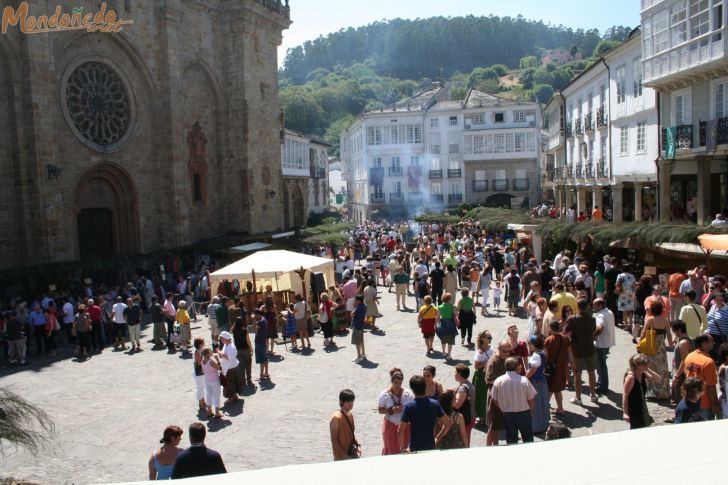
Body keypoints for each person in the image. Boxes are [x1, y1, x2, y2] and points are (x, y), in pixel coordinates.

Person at [491, 357, 537, 444]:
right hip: (524, 414)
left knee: (511, 441)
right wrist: (531, 410)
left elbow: (495, 399)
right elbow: (531, 398)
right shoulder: (524, 380)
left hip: (508, 415)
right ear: (516, 367)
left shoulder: (498, 381)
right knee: (528, 439)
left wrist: (502, 409)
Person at [398, 374, 449, 453]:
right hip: (430, 446)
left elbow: (400, 431)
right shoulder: (434, 403)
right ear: (425, 386)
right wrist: (437, 438)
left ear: (412, 389)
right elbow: (447, 423)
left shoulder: (409, 406)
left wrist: (402, 448)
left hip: (415, 447)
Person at [564, 299, 598, 404]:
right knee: (591, 372)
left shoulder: (572, 319)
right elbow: (593, 332)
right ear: (587, 307)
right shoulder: (592, 319)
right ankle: (593, 394)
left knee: (577, 374)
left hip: (576, 349)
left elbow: (565, 332)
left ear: (577, 307)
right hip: (589, 348)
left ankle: (578, 398)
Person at [640, 301, 673, 400]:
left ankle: (652, 392)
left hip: (651, 346)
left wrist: (640, 344)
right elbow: (669, 334)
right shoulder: (666, 320)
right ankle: (663, 392)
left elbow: (643, 332)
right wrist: (671, 344)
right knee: (662, 369)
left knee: (650, 368)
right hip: (661, 347)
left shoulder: (650, 319)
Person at [378, 368, 414, 455]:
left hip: (404, 425)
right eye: (395, 383)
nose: (397, 385)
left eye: (400, 383)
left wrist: (405, 409)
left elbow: (412, 407)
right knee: (390, 447)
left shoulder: (407, 394)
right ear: (392, 381)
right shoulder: (384, 395)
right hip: (391, 425)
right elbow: (380, 410)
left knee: (404, 448)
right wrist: (391, 410)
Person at [684, 333, 720, 420]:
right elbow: (710, 386)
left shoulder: (689, 356)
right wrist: (715, 404)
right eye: (711, 341)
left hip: (690, 400)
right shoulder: (708, 362)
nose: (714, 343)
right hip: (705, 404)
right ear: (704, 344)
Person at [622, 354, 661, 429]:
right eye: (645, 365)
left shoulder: (642, 373)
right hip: (633, 408)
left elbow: (658, 379)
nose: (647, 366)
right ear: (638, 365)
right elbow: (625, 395)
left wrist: (648, 370)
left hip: (641, 406)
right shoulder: (631, 377)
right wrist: (625, 413)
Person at [485, 339, 511, 446]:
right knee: (493, 425)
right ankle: (487, 446)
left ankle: (495, 445)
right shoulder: (494, 362)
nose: (507, 354)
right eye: (504, 351)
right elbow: (490, 381)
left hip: (501, 396)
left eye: (509, 352)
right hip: (495, 397)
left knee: (497, 426)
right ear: (498, 349)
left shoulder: (502, 358)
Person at [544, 320, 570, 414]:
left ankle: (545, 407)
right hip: (561, 367)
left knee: (551, 388)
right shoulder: (565, 338)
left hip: (551, 369)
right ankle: (559, 408)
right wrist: (572, 363)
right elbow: (569, 352)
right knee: (557, 389)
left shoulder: (548, 340)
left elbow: (545, 355)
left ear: (550, 328)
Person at [526, 336, 550, 434]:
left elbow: (532, 371)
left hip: (535, 382)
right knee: (542, 401)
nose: (529, 345)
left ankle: (536, 426)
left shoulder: (536, 355)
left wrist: (524, 379)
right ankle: (543, 424)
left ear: (534, 344)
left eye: (530, 344)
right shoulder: (542, 353)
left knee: (535, 403)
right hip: (542, 381)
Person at [330, 389, 360, 460]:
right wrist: (344, 456)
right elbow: (334, 440)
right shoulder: (336, 417)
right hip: (340, 458)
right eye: (348, 401)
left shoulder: (350, 416)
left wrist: (358, 446)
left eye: (352, 401)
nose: (351, 403)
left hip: (351, 454)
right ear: (341, 401)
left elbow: (352, 436)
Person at [593, 298, 615, 394]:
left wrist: (593, 336)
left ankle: (603, 386)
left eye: (595, 305)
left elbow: (600, 327)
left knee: (601, 365)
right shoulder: (609, 312)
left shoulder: (600, 315)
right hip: (608, 342)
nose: (593, 307)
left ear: (600, 305)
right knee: (602, 364)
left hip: (601, 343)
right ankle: (601, 382)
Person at [473, 330, 494, 425]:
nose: (490, 339)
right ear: (482, 339)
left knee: (489, 395)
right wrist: (488, 362)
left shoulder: (491, 348)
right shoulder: (480, 352)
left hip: (490, 373)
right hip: (481, 376)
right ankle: (481, 416)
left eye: (490, 337)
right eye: (488, 337)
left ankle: (487, 415)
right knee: (481, 396)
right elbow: (476, 366)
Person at [452, 363, 476, 443]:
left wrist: (450, 398)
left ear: (459, 374)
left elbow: (457, 405)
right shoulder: (468, 384)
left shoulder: (462, 389)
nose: (454, 374)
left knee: (463, 439)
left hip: (466, 418)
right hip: (471, 416)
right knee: (466, 438)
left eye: (455, 372)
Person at [217, 331, 241, 406]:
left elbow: (229, 357)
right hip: (229, 367)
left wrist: (220, 353)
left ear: (226, 338)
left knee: (229, 384)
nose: (221, 339)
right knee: (232, 382)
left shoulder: (230, 346)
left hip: (230, 368)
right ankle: (234, 396)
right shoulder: (226, 344)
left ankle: (231, 397)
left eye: (222, 338)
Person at [200, 347, 223, 418]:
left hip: (207, 380)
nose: (212, 352)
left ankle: (209, 411)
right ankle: (217, 413)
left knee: (209, 395)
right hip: (214, 380)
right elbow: (219, 368)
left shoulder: (202, 361)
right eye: (210, 351)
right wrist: (217, 359)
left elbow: (203, 371)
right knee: (217, 396)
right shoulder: (211, 362)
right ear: (208, 354)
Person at [232, 316, 253, 387]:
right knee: (248, 364)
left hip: (237, 350)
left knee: (240, 366)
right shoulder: (245, 330)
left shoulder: (233, 330)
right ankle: (249, 379)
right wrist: (251, 348)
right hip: (246, 349)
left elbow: (230, 329)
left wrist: (235, 323)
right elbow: (248, 341)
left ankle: (243, 381)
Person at [436, 293, 458, 361]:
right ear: (449, 299)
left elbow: (438, 317)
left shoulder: (440, 307)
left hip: (443, 324)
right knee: (450, 341)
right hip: (451, 323)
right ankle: (449, 355)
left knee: (443, 339)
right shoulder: (452, 306)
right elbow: (456, 314)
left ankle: (443, 352)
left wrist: (437, 324)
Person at [252, 309, 270, 381]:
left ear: (257, 314)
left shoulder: (261, 322)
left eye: (255, 315)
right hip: (263, 341)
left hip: (259, 342)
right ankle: (266, 373)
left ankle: (261, 375)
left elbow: (254, 328)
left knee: (261, 359)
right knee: (265, 358)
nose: (254, 316)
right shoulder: (263, 320)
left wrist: (253, 320)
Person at [351, 294, 367, 363]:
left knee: (357, 342)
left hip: (357, 325)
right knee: (361, 340)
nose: (355, 301)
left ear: (359, 301)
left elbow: (352, 314)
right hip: (361, 325)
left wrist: (354, 307)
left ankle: (359, 356)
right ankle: (363, 353)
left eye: (356, 300)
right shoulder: (365, 306)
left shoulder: (358, 307)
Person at [192, 338, 207, 410]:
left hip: (201, 372)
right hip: (199, 373)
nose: (204, 343)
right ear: (200, 344)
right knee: (200, 387)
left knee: (202, 387)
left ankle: (203, 401)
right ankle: (201, 403)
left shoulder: (199, 351)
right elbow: (199, 362)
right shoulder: (197, 352)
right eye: (203, 342)